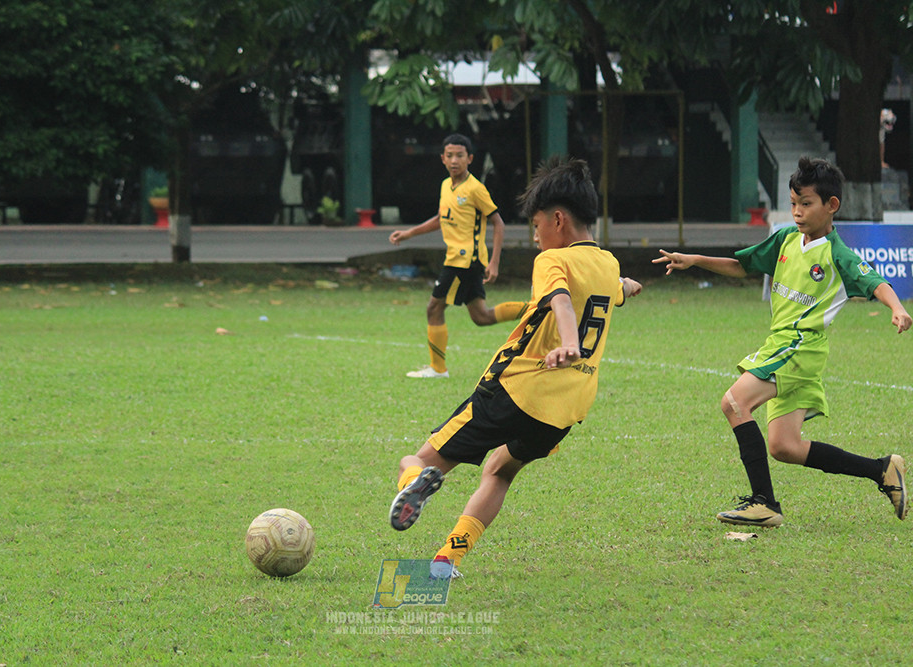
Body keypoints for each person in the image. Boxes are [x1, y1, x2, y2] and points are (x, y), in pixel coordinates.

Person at [388, 156, 643, 578]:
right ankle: (446, 561)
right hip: (564, 409)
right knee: (500, 471)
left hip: (515, 389)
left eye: (537, 225)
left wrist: (568, 343)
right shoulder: (608, 264)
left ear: (558, 220)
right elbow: (616, 288)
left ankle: (414, 482)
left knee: (416, 459)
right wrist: (629, 286)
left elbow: (561, 300)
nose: (536, 236)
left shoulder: (552, 261)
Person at [654, 156, 912, 527]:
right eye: (793, 203)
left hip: (799, 347)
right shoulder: (786, 239)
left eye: (806, 203)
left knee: (734, 403)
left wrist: (896, 308)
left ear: (831, 205)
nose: (797, 212)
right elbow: (743, 266)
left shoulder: (836, 254)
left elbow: (875, 282)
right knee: (784, 447)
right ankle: (882, 470)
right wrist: (694, 259)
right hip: (785, 346)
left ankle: (764, 503)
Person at [389, 133, 528, 378]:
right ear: (443, 158)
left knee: (434, 308)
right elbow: (441, 218)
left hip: (465, 261)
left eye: (460, 156)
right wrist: (409, 233)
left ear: (470, 158)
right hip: (457, 259)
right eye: (450, 155)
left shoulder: (475, 189)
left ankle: (438, 369)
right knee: (481, 316)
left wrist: (494, 262)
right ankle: (534, 310)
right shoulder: (446, 185)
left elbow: (498, 223)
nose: (455, 160)